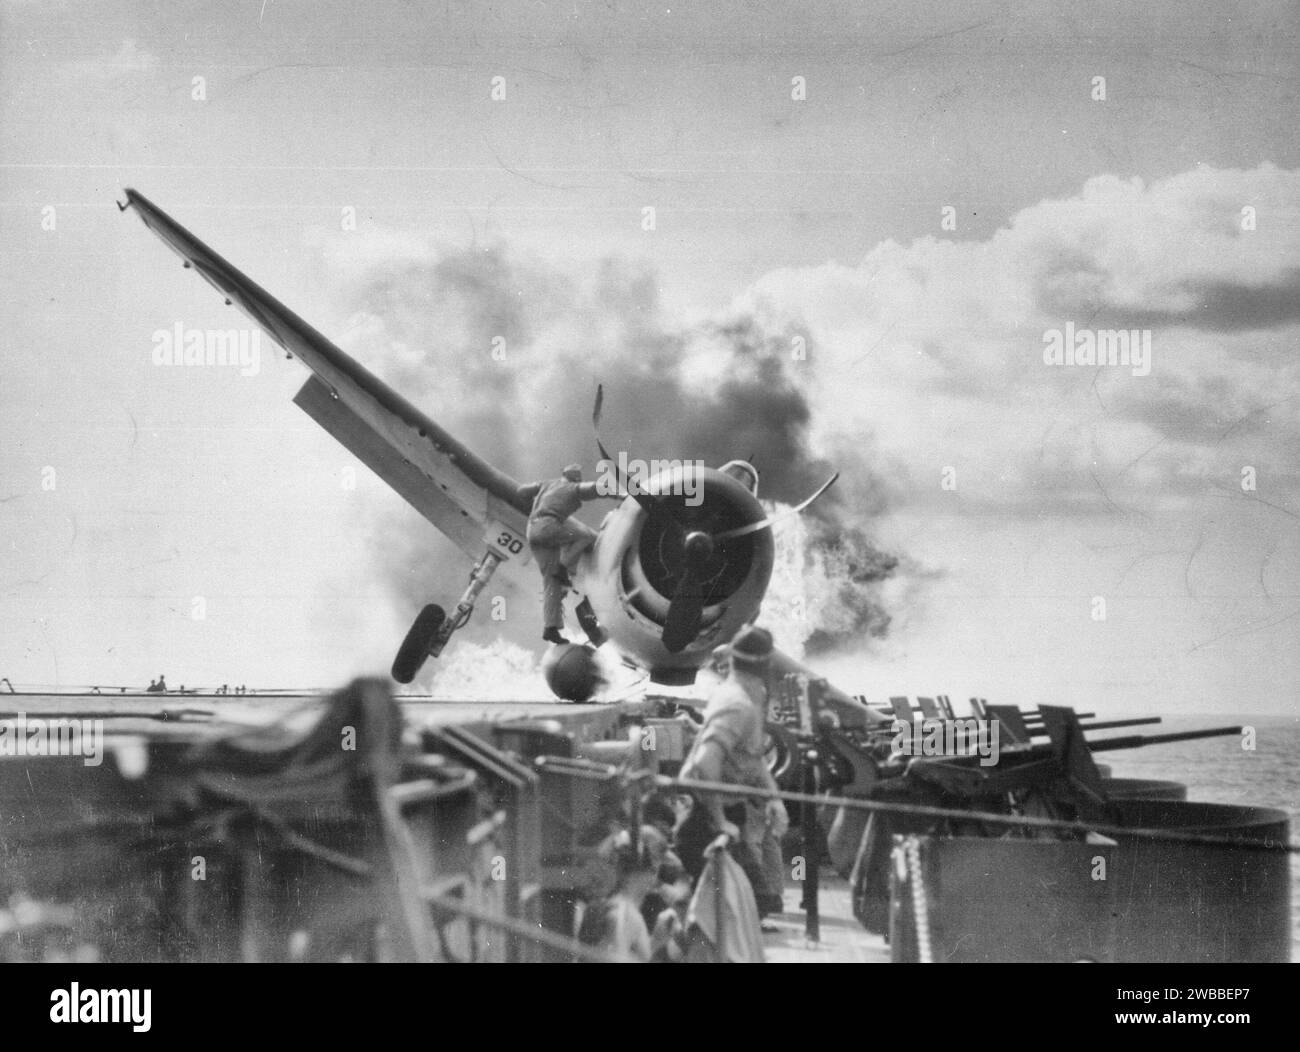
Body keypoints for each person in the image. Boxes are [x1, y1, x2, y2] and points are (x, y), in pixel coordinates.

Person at [676, 624, 788, 918]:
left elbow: (753, 756)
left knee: (759, 901)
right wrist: (719, 820)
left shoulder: (751, 696)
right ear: (767, 665)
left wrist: (773, 798)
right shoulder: (738, 704)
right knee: (743, 908)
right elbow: (705, 762)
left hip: (730, 812)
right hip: (706, 821)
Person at [518, 464, 610, 645]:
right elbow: (593, 489)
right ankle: (564, 567)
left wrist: (538, 502)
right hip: (548, 527)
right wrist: (618, 493)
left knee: (551, 584)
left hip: (532, 530)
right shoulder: (573, 487)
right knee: (586, 536)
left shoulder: (546, 484)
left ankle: (550, 628)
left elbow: (521, 491)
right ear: (576, 478)